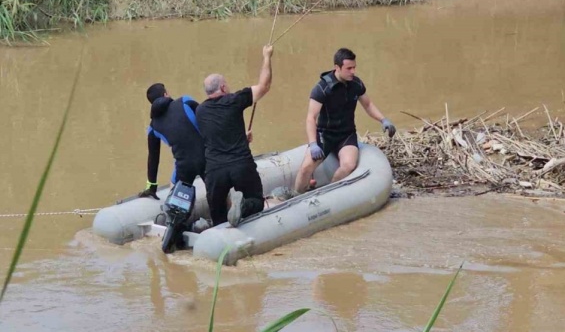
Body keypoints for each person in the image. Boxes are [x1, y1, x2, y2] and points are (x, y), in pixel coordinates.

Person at [287, 47, 396, 198]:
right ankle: (296, 195)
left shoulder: (356, 84)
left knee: (348, 165)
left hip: (346, 134)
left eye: (354, 67)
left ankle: (328, 194)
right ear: (337, 67)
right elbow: (310, 117)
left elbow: (368, 105)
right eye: (349, 68)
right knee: (306, 167)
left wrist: (383, 120)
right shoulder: (322, 89)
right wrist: (313, 144)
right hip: (325, 134)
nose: (353, 72)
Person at [195, 44, 274, 227]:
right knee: (256, 201)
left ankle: (216, 231)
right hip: (240, 165)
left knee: (217, 214)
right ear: (223, 87)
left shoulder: (200, 110)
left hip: (215, 171)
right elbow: (264, 86)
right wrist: (267, 57)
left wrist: (240, 136)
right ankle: (244, 206)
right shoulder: (234, 100)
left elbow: (216, 132)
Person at [138, 83, 205, 200]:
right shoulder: (186, 101)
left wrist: (152, 187)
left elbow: (153, 159)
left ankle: (179, 215)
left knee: (174, 191)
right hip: (207, 157)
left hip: (184, 166)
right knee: (220, 192)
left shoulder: (152, 127)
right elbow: (208, 119)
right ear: (166, 94)